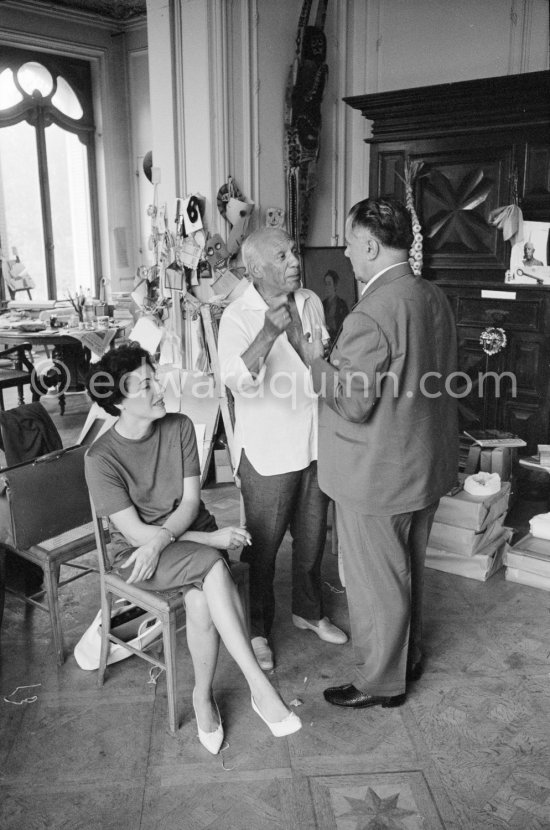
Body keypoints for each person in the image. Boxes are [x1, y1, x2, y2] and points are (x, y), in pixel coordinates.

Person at [84, 344, 301, 753]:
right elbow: (134, 536)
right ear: (118, 401)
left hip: (180, 538)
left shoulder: (180, 425)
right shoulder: (100, 459)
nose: (158, 387)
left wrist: (182, 538)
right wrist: (212, 540)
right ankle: (259, 687)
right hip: (139, 555)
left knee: (202, 602)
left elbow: (188, 503)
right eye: (145, 384)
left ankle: (202, 696)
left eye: (155, 377)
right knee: (213, 569)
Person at [306, 197, 458, 709]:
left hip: (375, 475)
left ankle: (380, 682)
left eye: (350, 244)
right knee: (407, 570)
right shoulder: (432, 296)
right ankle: (407, 657)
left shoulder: (370, 313)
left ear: (370, 245)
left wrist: (315, 363)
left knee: (376, 584)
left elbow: (352, 401)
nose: (347, 254)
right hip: (425, 464)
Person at [217, 227, 348, 671]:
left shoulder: (310, 301)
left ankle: (308, 611)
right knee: (264, 549)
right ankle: (257, 629)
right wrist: (269, 334)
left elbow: (319, 359)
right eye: (283, 254)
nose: (295, 259)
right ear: (255, 268)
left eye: (294, 250)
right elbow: (237, 380)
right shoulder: (237, 315)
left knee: (312, 540)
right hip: (269, 452)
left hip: (314, 442)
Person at [322, 269, 349, 342]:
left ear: (335, 285)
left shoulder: (341, 304)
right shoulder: (322, 304)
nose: (327, 287)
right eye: (325, 284)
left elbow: (344, 328)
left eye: (329, 283)